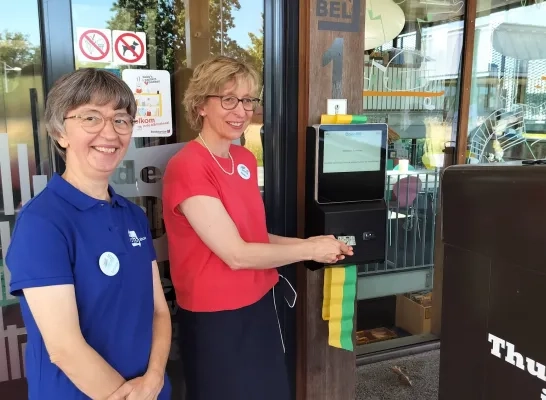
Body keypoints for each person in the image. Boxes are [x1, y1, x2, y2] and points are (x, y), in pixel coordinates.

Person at [162, 55, 353, 400]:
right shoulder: (188, 166)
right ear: (201, 104)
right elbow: (235, 254)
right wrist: (309, 250)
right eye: (229, 99)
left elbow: (254, 237)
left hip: (260, 303)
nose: (241, 110)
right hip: (216, 317)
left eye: (248, 100)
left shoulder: (245, 159)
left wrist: (312, 241)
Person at [6, 68, 172, 400]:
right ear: (59, 132)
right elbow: (65, 348)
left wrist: (154, 379)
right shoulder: (42, 222)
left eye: (121, 120)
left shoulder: (134, 215)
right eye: (91, 118)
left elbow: (159, 311)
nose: (109, 133)